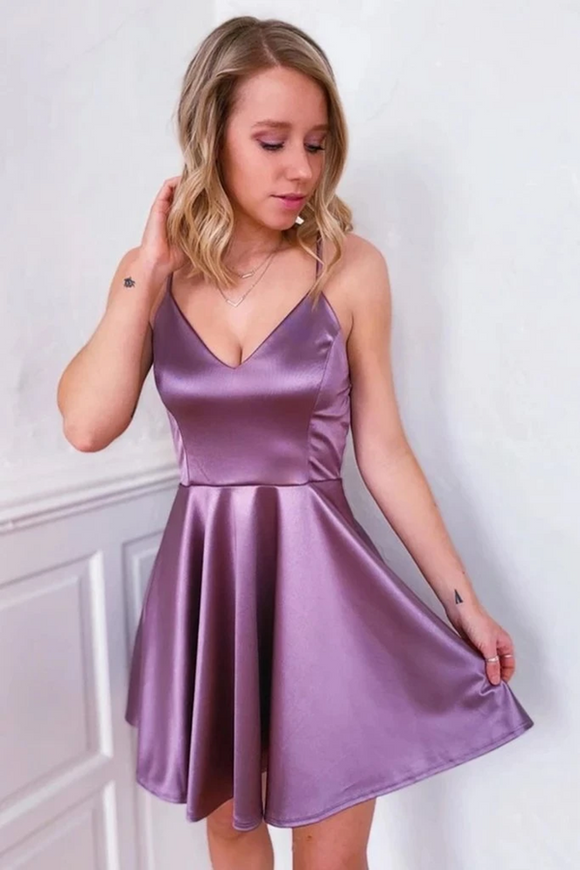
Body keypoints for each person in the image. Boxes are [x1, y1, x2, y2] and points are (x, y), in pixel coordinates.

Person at [56, 15, 534, 870]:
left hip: (327, 596)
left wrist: (464, 604)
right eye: (272, 141)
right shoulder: (154, 276)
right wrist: (143, 273)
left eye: (315, 144)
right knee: (231, 835)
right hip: (207, 588)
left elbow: (383, 449)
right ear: (212, 136)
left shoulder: (351, 267)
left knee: (331, 857)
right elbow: (87, 426)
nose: (302, 170)